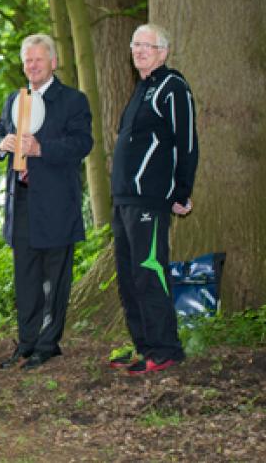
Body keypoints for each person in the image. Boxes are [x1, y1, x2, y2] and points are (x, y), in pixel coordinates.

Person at [0, 33, 93, 370]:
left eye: (38, 59)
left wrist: (41, 148)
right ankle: (27, 342)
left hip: (57, 205)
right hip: (22, 203)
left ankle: (48, 344)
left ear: (53, 62)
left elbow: (82, 144)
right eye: (27, 61)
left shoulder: (73, 101)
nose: (32, 66)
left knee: (54, 279)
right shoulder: (14, 100)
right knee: (26, 279)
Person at [109, 23, 197, 375]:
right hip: (124, 199)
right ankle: (145, 346)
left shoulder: (173, 87)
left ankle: (165, 349)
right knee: (129, 276)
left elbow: (186, 141)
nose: (139, 50)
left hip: (150, 199)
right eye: (135, 44)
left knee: (150, 272)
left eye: (147, 45)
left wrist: (182, 190)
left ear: (163, 51)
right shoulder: (140, 91)